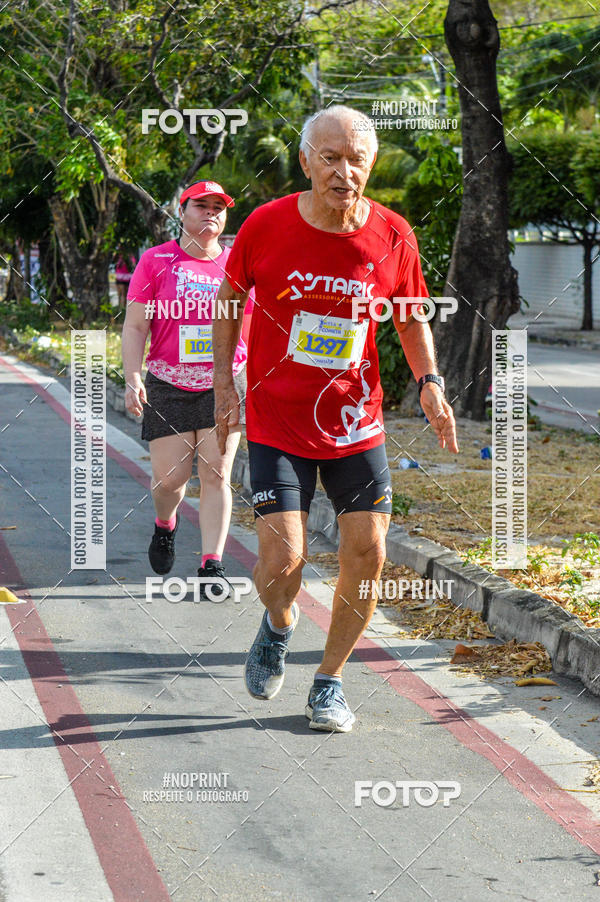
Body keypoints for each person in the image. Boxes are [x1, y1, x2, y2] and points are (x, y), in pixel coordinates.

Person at [211, 105, 459, 732]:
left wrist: (429, 381)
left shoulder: (393, 233)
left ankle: (330, 681)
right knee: (282, 562)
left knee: (368, 553)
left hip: (355, 423)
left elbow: (408, 314)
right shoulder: (265, 227)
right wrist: (223, 382)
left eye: (357, 160)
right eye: (331, 158)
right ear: (305, 161)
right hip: (276, 422)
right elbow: (229, 301)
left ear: (370, 166)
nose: (345, 172)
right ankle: (278, 623)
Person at [121, 180, 253, 597]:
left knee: (217, 474)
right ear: (182, 211)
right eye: (202, 206)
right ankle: (166, 524)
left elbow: (251, 329)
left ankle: (211, 564)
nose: (211, 213)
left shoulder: (237, 266)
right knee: (170, 481)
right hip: (169, 383)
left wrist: (251, 381)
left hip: (224, 385)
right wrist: (133, 377)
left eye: (219, 207)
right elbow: (136, 324)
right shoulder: (157, 261)